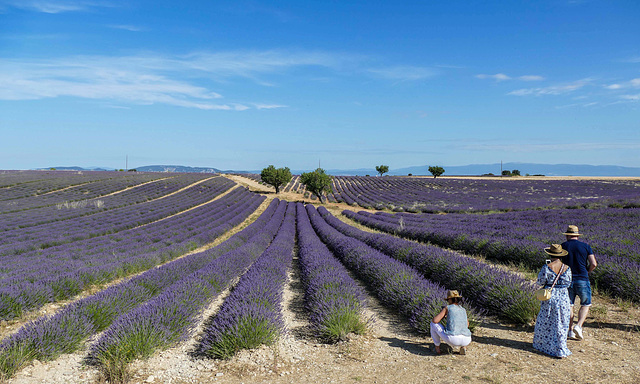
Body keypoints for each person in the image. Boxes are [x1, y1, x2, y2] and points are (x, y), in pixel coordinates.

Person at [533, 243, 572, 358]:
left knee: (547, 319)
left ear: (550, 254)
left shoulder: (547, 267)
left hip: (550, 295)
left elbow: (540, 281)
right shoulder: (567, 268)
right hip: (564, 296)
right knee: (562, 321)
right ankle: (560, 346)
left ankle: (545, 345)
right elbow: (569, 283)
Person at [561, 225, 597, 340]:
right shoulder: (586, 246)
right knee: (585, 304)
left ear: (567, 235)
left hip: (567, 279)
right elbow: (594, 263)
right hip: (582, 278)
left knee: (569, 305)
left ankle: (570, 330)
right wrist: (587, 271)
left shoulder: (562, 246)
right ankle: (579, 326)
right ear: (577, 235)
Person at [430, 290, 472, 355]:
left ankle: (437, 348)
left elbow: (435, 320)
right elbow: (467, 324)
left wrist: (443, 315)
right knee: (463, 329)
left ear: (450, 299)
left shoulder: (447, 308)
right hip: (467, 339)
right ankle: (464, 347)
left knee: (433, 324)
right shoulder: (463, 309)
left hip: (453, 339)